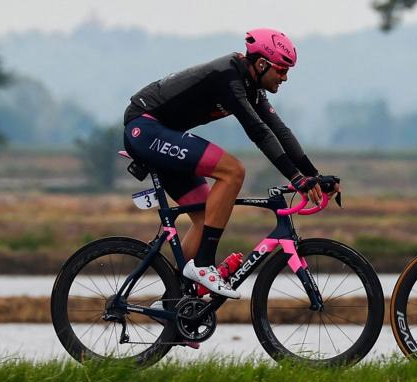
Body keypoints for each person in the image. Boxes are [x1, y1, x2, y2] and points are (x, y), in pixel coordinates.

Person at [122, 28, 338, 299]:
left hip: (164, 134)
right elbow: (258, 132)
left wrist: (312, 176)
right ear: (261, 64)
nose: (284, 78)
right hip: (145, 127)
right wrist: (296, 180)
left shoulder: (251, 87)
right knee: (233, 171)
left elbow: (280, 132)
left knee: (205, 217)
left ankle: (176, 303)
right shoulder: (228, 76)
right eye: (281, 71)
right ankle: (203, 266)